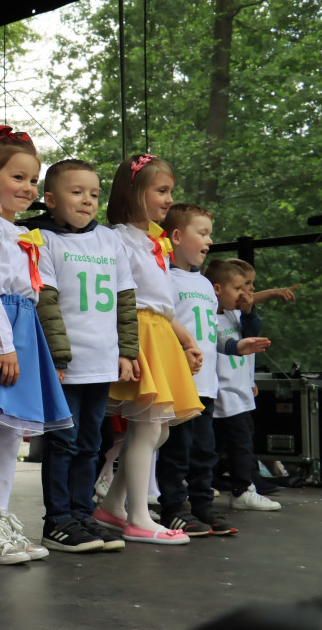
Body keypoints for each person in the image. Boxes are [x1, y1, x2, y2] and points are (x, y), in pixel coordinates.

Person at [0, 127, 72, 565]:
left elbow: (34, 294)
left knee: (11, 435)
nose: (28, 188)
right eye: (18, 178)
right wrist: (4, 342)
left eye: (32, 180)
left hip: (24, 332)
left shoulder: (24, 233)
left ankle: (1, 515)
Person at [26, 158, 137, 553]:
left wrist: (127, 351)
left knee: (92, 443)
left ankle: (81, 514)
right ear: (50, 199)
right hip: (68, 366)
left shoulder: (110, 240)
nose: (87, 200)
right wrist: (56, 358)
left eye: (93, 193)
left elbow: (126, 301)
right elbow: (47, 303)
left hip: (103, 362)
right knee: (64, 443)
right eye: (76, 192)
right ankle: (57, 520)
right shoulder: (43, 240)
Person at [93, 154, 204, 545]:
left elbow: (162, 303)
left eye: (170, 191)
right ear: (133, 191)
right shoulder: (117, 238)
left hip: (159, 332)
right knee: (148, 427)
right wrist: (125, 345)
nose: (169, 199)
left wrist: (186, 340)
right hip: (137, 332)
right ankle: (138, 517)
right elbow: (125, 297)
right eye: (161, 190)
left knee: (158, 433)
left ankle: (114, 504)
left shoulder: (155, 239)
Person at [156, 205, 269, 536]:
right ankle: (174, 508)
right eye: (202, 233)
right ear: (176, 237)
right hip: (180, 381)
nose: (209, 240)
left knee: (204, 451)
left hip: (206, 385)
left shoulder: (205, 284)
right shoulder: (163, 276)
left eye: (209, 234)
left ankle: (202, 505)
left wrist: (235, 346)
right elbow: (163, 326)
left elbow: (209, 331)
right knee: (177, 450)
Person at [205, 259, 282, 511]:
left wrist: (249, 311)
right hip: (221, 390)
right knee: (230, 441)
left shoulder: (234, 313)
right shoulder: (208, 315)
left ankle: (241, 486)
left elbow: (251, 335)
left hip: (239, 389)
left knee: (239, 439)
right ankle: (241, 489)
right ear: (218, 288)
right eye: (239, 288)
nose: (245, 294)